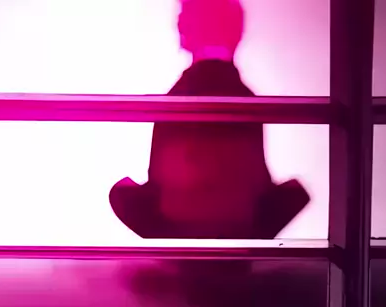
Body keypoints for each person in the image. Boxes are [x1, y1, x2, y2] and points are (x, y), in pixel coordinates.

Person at [110, 0, 310, 242]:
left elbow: (159, 180)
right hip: (237, 230)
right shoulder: (245, 98)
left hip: (177, 230)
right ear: (235, 31)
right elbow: (256, 183)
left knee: (123, 192)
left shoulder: (176, 98)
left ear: (186, 29)